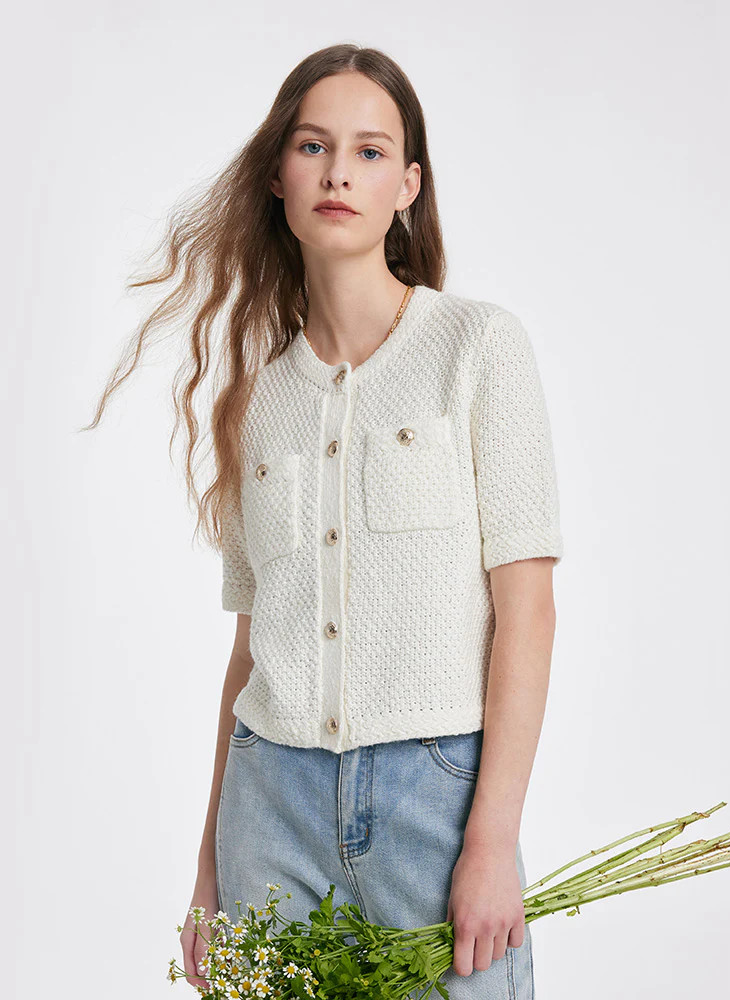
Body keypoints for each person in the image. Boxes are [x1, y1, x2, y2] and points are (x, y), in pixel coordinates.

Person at [89, 43, 563, 1000]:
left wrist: (493, 838)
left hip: (437, 800)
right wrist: (210, 867)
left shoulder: (478, 349)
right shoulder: (254, 402)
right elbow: (249, 650)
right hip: (271, 807)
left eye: (369, 151)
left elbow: (528, 612)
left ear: (408, 186)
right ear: (278, 175)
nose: (339, 172)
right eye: (313, 146)